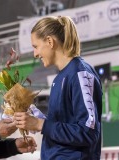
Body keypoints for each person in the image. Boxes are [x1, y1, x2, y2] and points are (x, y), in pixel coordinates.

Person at [14, 16, 102, 160]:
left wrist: (41, 125)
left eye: (35, 47)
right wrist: (36, 118)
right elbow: (66, 125)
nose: (35, 54)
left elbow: (88, 132)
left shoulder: (80, 74)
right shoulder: (59, 78)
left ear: (50, 41)